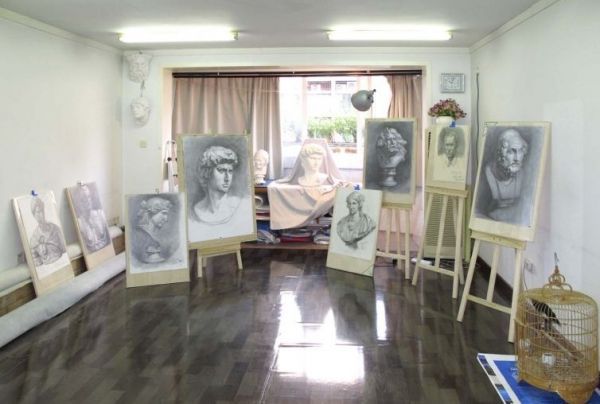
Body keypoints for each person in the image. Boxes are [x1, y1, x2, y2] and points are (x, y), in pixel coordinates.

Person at [482, 128, 529, 221]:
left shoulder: (521, 171)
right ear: (502, 153)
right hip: (496, 216)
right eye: (511, 152)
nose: (516, 158)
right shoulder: (490, 170)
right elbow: (496, 199)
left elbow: (519, 200)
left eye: (520, 151)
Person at [192, 145, 242, 225]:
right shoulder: (198, 209)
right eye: (221, 170)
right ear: (207, 172)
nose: (227, 178)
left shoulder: (240, 205)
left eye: (230, 171)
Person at [132, 197, 173, 264]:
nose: (166, 219)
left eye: (166, 214)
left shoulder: (156, 235)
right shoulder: (139, 234)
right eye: (163, 213)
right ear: (151, 213)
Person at [29, 198, 67, 266]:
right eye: (38, 212)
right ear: (34, 215)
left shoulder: (56, 229)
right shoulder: (34, 238)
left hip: (62, 262)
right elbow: (36, 261)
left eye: (42, 211)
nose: (41, 214)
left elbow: (64, 249)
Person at [74, 184, 110, 253]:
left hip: (107, 253)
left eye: (88, 197)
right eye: (83, 199)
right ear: (78, 203)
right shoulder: (79, 223)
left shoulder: (100, 214)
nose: (87, 201)